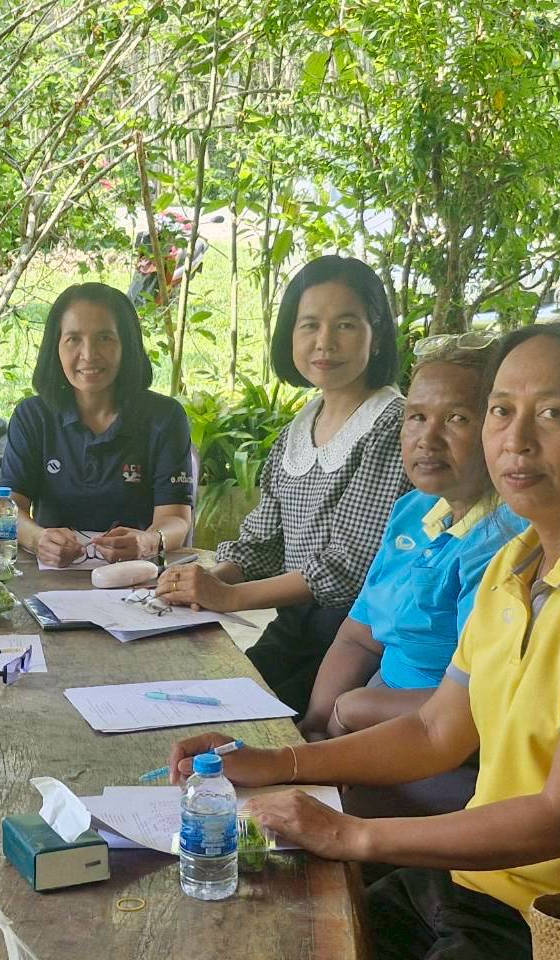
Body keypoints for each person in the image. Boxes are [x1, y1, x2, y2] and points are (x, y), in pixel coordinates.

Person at [168, 322, 560, 960]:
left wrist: (352, 835)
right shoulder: (519, 562)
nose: (517, 441)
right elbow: (436, 731)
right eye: (502, 411)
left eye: (552, 413)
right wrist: (274, 762)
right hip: (482, 884)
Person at [156, 255, 410, 714]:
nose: (325, 342)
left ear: (376, 337)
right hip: (296, 628)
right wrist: (203, 580)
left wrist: (229, 597)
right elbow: (262, 543)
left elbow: (348, 568)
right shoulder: (303, 424)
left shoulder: (391, 425)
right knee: (198, 708)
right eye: (308, 324)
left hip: (358, 646)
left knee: (251, 731)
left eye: (346, 325)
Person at [297, 344, 522, 819]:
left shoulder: (505, 543)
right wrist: (316, 725)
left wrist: (353, 711)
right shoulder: (417, 511)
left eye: (457, 419)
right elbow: (359, 636)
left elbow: (482, 709)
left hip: (450, 752)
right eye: (417, 417)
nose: (427, 439)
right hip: (373, 714)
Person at [0, 282, 194, 568]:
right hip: (52, 576)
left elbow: (176, 518)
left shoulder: (165, 417)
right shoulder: (33, 417)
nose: (89, 354)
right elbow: (9, 508)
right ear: (55, 347)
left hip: (136, 579)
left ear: (126, 345)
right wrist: (38, 539)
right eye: (73, 339)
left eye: (105, 338)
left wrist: (149, 541)